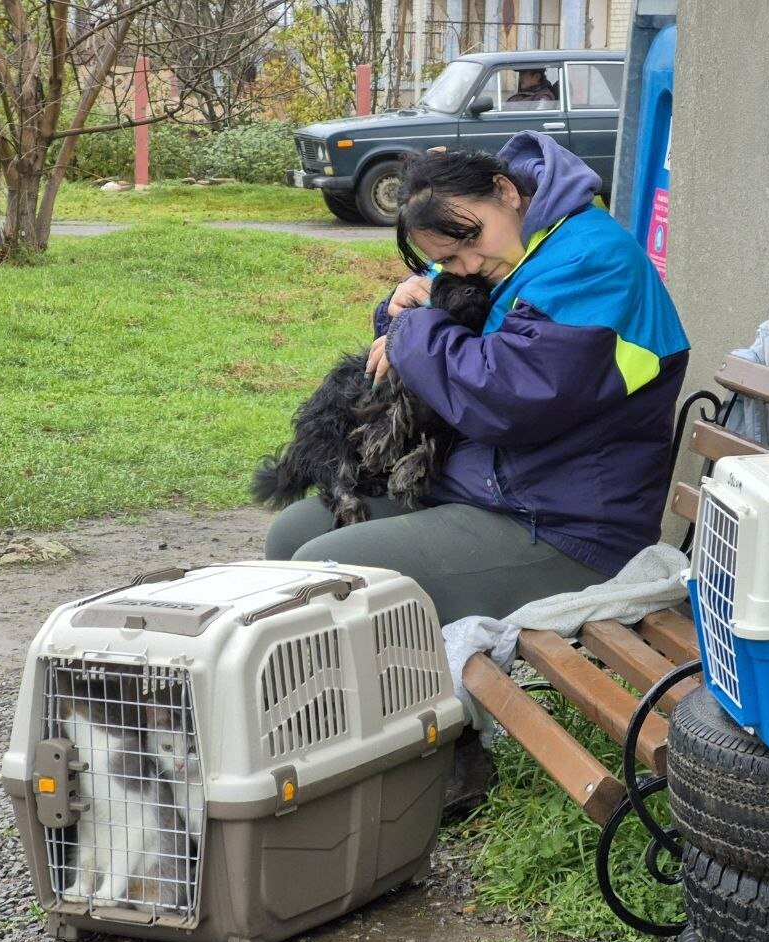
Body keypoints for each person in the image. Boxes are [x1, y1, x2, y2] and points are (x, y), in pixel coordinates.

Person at [265, 132, 690, 629]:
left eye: (470, 241)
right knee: (291, 534)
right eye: (447, 260)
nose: (466, 266)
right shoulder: (510, 246)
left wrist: (411, 331)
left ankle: (396, 681)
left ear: (506, 192)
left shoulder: (593, 263)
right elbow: (432, 331)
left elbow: (506, 398)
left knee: (325, 575)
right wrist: (399, 308)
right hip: (487, 490)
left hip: (569, 528)